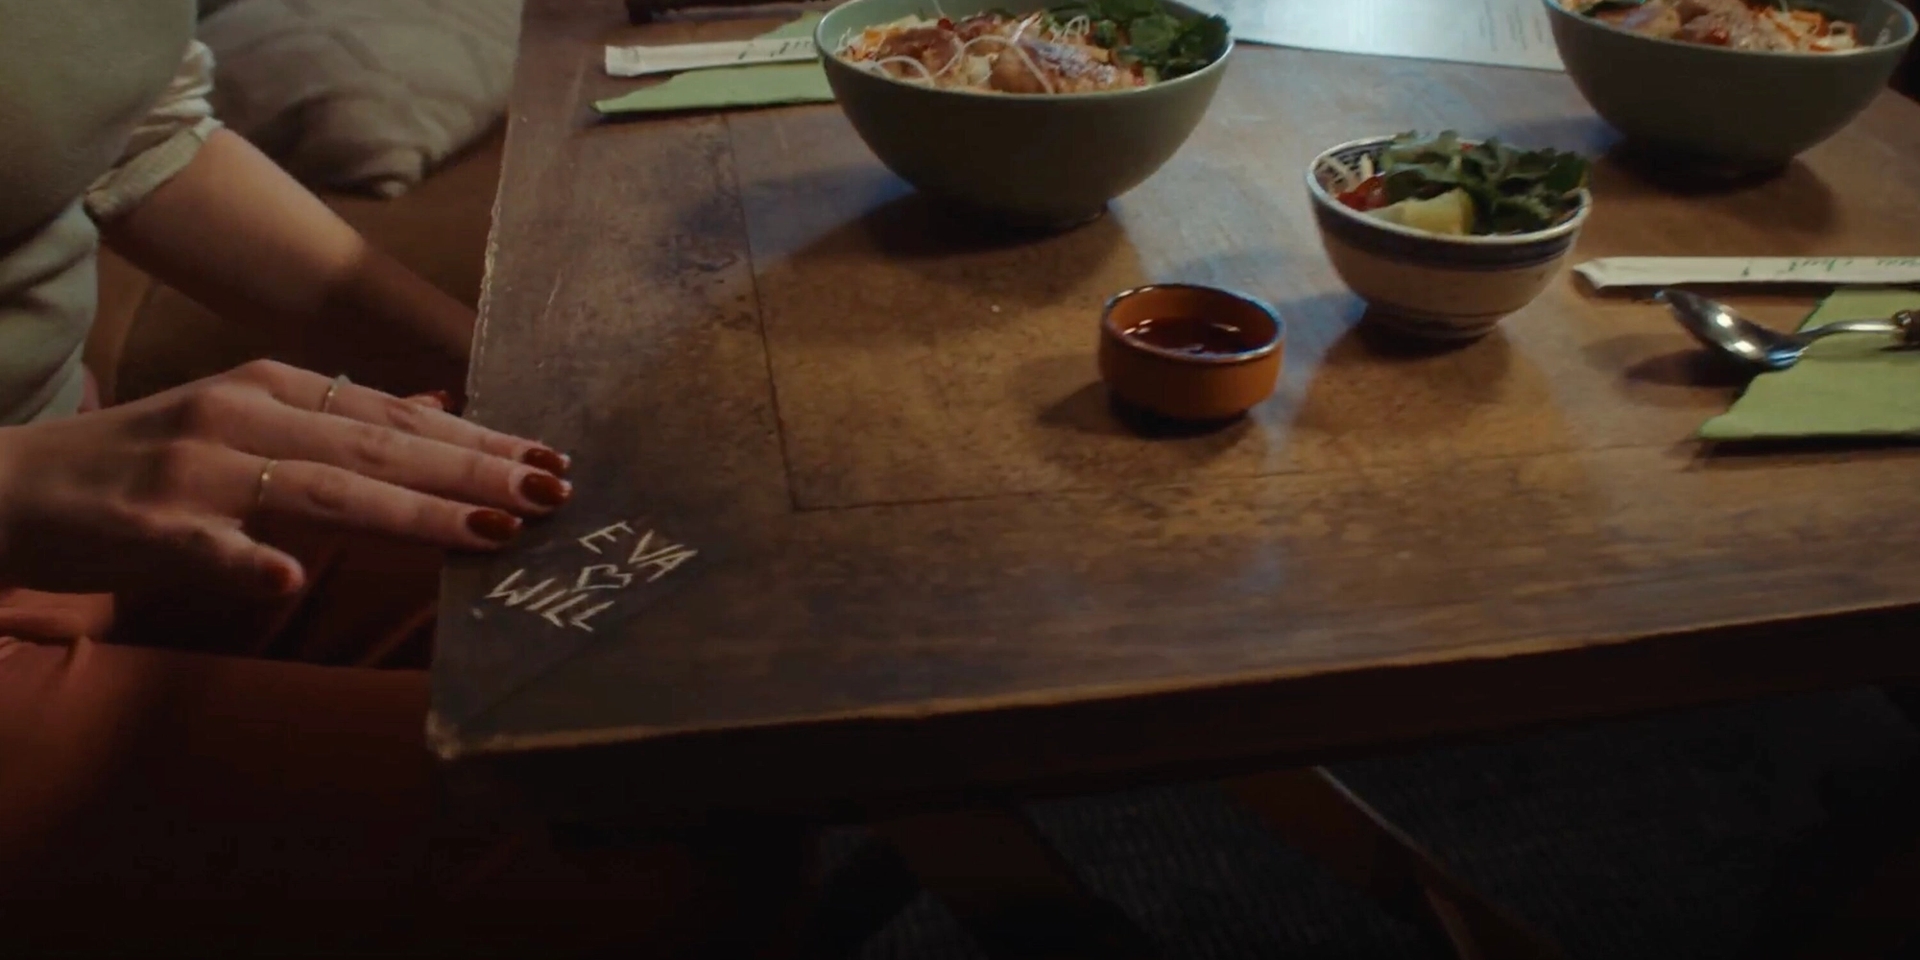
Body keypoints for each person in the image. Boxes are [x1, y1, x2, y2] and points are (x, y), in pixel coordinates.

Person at [0, 5, 736, 956]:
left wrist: (521, 389)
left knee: (713, 633)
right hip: (31, 498)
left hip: (71, 485)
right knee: (615, 830)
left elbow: (136, 131)